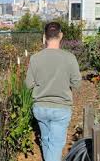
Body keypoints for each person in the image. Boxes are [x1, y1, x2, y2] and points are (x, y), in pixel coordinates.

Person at [25, 22, 82, 161]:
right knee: (56, 145)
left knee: (45, 140)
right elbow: (77, 83)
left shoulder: (35, 58)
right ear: (60, 35)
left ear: (45, 37)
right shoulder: (69, 58)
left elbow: (28, 84)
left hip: (40, 108)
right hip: (61, 108)